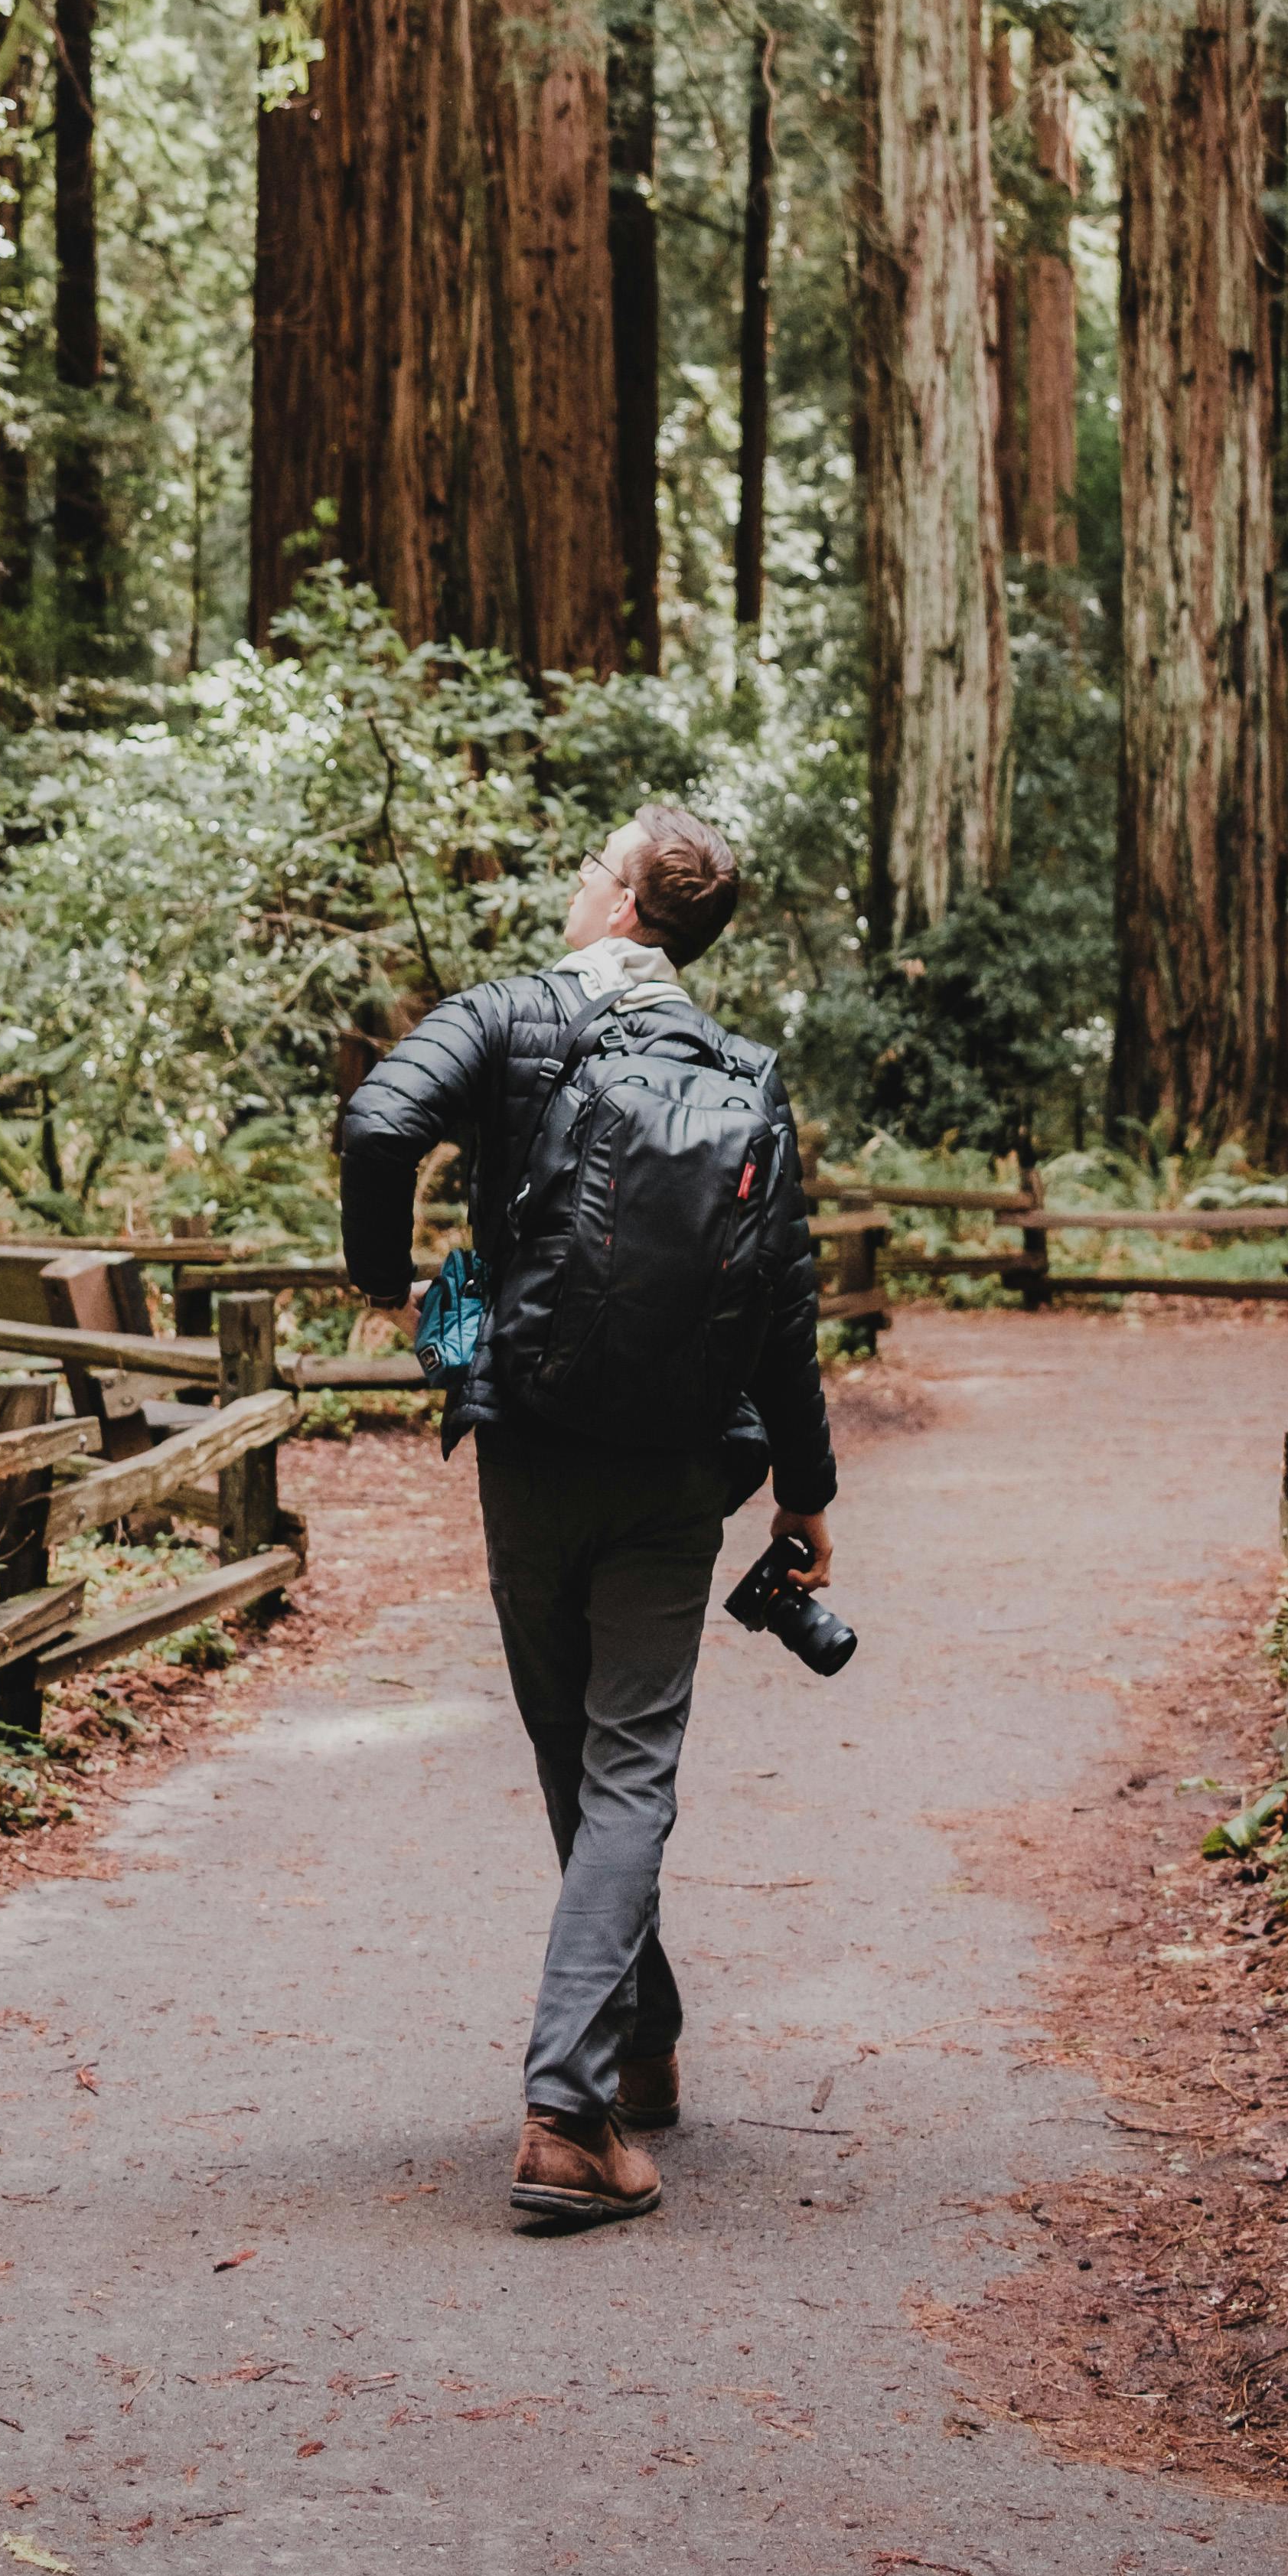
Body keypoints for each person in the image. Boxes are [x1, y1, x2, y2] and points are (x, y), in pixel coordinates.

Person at [337, 797, 836, 2233]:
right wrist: (805, 1494)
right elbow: (784, 1307)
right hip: (684, 1465)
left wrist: (385, 1279)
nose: (576, 877)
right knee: (625, 1773)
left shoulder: (512, 1018)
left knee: (580, 1763)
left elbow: (380, 1119)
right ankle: (639, 2036)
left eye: (593, 864)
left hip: (534, 1447)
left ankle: (567, 2117)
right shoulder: (747, 1071)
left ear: (625, 907)